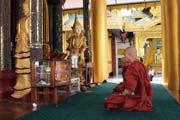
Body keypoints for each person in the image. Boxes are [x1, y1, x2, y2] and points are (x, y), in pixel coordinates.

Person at [105, 47, 153, 111]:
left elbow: (130, 88)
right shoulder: (141, 65)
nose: (124, 57)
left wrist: (121, 95)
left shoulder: (133, 67)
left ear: (130, 55)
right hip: (144, 96)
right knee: (118, 90)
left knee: (110, 101)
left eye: (125, 55)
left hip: (137, 97)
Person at [11, 0, 31, 98]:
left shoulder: (31, 20)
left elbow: (31, 35)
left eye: (26, 7)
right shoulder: (21, 20)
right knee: (19, 67)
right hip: (20, 45)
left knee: (27, 67)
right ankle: (20, 85)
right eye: (23, 8)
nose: (24, 9)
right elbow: (18, 35)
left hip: (27, 46)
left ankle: (28, 85)